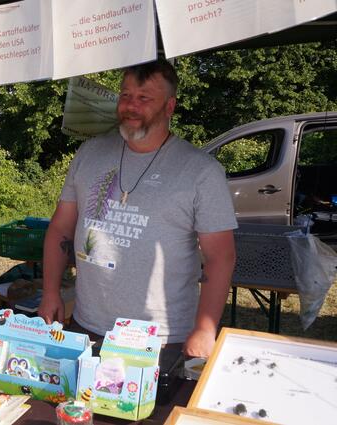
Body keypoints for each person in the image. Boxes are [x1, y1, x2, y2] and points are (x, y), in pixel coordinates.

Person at [38, 59, 237, 358]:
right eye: (126, 95)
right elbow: (60, 228)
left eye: (144, 98)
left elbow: (220, 256)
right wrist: (51, 291)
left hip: (160, 339)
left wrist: (205, 329)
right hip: (86, 325)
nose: (131, 106)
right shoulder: (89, 153)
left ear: (169, 107)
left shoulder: (201, 171)